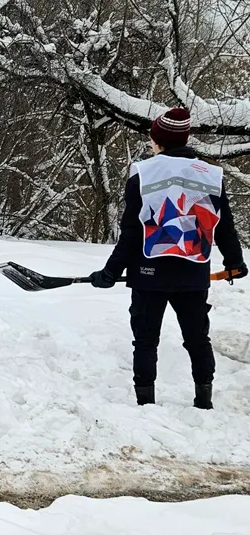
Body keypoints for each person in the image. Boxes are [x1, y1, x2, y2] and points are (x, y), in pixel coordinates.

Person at [90, 108, 247, 409]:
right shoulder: (212, 174)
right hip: (193, 271)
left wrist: (110, 272)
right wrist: (234, 262)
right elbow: (223, 223)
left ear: (158, 139)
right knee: (197, 339)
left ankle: (145, 403)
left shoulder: (143, 172)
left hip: (150, 272)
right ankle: (204, 401)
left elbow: (133, 232)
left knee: (146, 341)